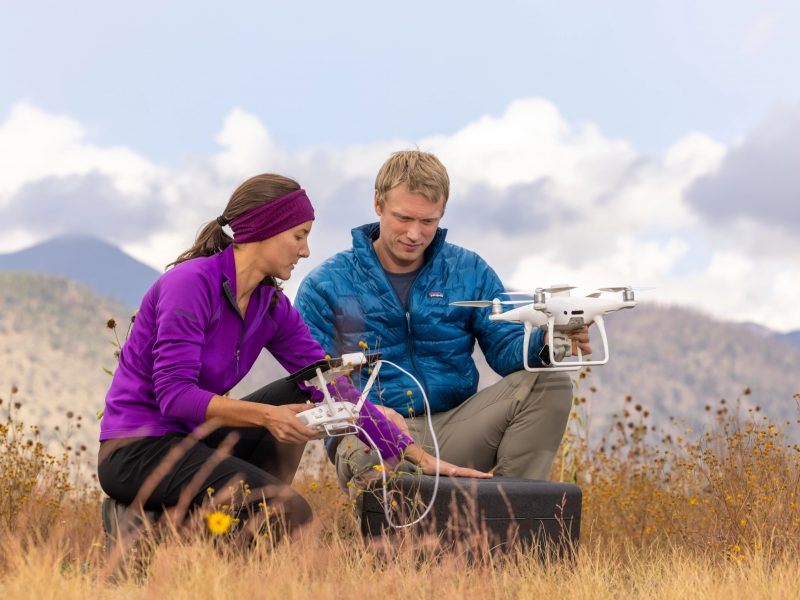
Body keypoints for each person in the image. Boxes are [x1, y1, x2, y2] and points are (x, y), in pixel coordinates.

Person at [97, 173, 487, 539]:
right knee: (288, 512)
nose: (305, 250)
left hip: (196, 442)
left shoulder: (270, 306)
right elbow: (175, 396)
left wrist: (417, 456)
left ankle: (205, 522)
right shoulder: (190, 284)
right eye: (299, 236)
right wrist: (268, 416)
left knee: (304, 389)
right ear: (263, 230)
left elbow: (332, 387)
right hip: (136, 449)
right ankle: (145, 520)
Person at [295, 151, 590, 495]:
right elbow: (316, 381)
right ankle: (393, 521)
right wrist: (369, 416)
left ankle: (508, 513)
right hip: (373, 433)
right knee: (375, 462)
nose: (415, 233)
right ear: (378, 203)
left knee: (551, 385)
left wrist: (547, 342)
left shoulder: (469, 270)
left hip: (453, 428)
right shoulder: (325, 285)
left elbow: (504, 347)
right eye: (403, 218)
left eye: (428, 221)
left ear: (442, 213)